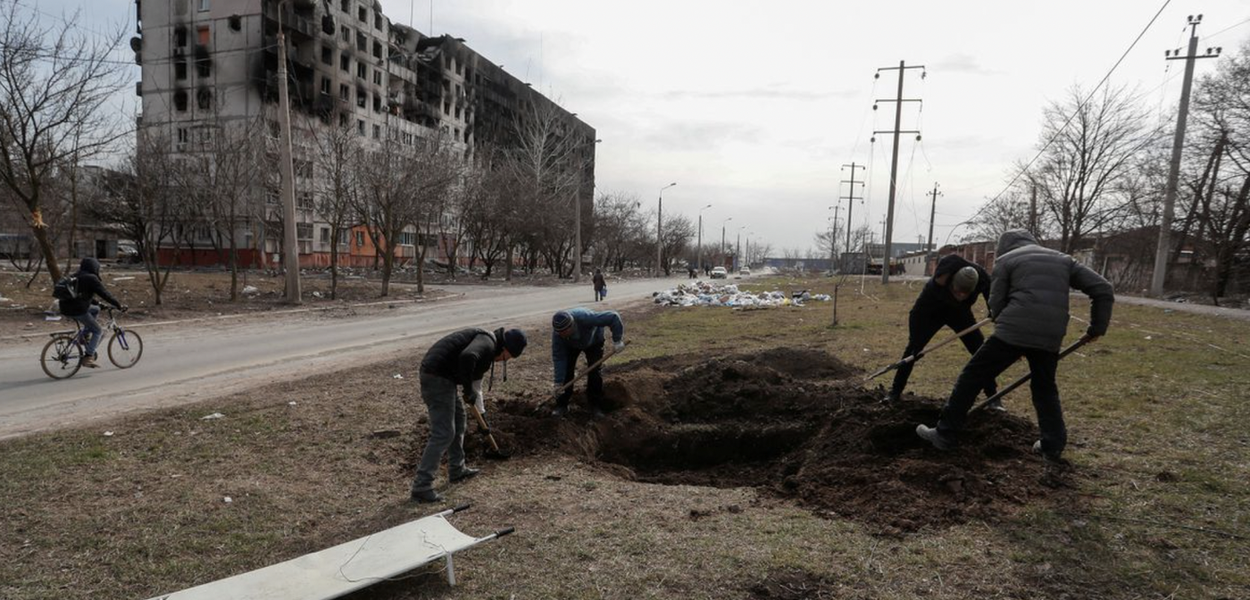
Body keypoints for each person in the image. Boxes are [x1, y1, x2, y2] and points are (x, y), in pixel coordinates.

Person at [916, 230, 1114, 461]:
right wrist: (1097, 328)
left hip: (1013, 330)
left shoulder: (1006, 260)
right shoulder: (1064, 260)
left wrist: (1009, 337)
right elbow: (1103, 289)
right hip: (1051, 334)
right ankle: (1052, 445)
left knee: (973, 375)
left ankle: (944, 434)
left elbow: (996, 303)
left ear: (1003, 247)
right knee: (1044, 388)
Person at [410, 327, 528, 503]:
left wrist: (482, 419)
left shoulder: (486, 352)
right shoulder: (487, 343)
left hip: (444, 378)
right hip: (436, 376)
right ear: (505, 349)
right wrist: (466, 389)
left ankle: (457, 469)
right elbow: (468, 356)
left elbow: (476, 388)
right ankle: (422, 486)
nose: (503, 361)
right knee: (444, 433)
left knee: (459, 420)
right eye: (507, 358)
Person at [886, 255, 1001, 409]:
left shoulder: (983, 279)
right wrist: (916, 340)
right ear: (951, 282)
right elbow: (917, 314)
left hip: (960, 314)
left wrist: (993, 310)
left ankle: (993, 397)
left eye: (965, 293)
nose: (961, 296)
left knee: (980, 350)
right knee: (913, 351)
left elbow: (993, 298)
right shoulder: (940, 279)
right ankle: (894, 392)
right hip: (931, 312)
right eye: (958, 291)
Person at [551, 308, 625, 418]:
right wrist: (558, 382)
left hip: (594, 341)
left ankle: (595, 405)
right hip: (571, 346)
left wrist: (617, 340)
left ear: (571, 325)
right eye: (559, 333)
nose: (561, 335)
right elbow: (559, 358)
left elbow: (613, 317)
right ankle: (562, 405)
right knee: (567, 371)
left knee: (595, 372)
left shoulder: (586, 318)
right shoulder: (558, 336)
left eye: (564, 332)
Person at [58, 257, 125, 368]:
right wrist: (118, 305)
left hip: (65, 308)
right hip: (78, 309)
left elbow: (83, 295)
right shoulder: (91, 278)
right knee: (98, 330)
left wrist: (99, 304)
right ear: (94, 267)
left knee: (96, 309)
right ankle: (88, 357)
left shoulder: (76, 276)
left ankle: (84, 335)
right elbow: (105, 294)